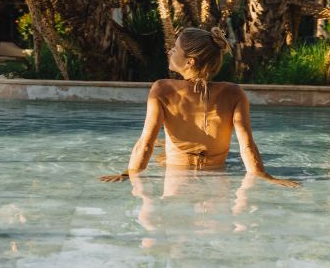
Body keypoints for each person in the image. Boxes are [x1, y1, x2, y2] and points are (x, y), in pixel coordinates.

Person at [100, 27, 298, 187]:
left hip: (175, 177)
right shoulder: (234, 93)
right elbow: (246, 146)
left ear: (190, 61)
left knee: (163, 154)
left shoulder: (162, 89)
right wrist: (264, 176)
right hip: (217, 176)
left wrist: (128, 174)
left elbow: (145, 144)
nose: (170, 51)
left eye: (175, 49)